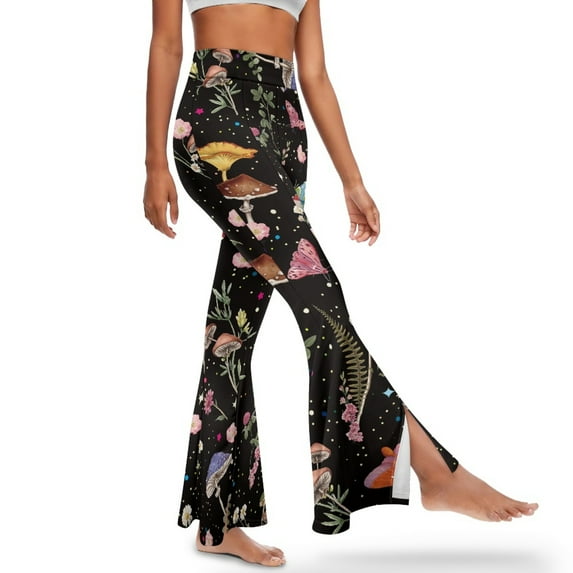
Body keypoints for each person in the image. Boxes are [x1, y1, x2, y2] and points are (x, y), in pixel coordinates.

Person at [143, 0, 538, 567]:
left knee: (231, 327)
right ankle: (432, 469)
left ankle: (216, 521)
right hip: (215, 118)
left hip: (286, 128)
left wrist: (352, 181)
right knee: (320, 301)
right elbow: (166, 43)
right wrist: (155, 163)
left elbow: (315, 74)